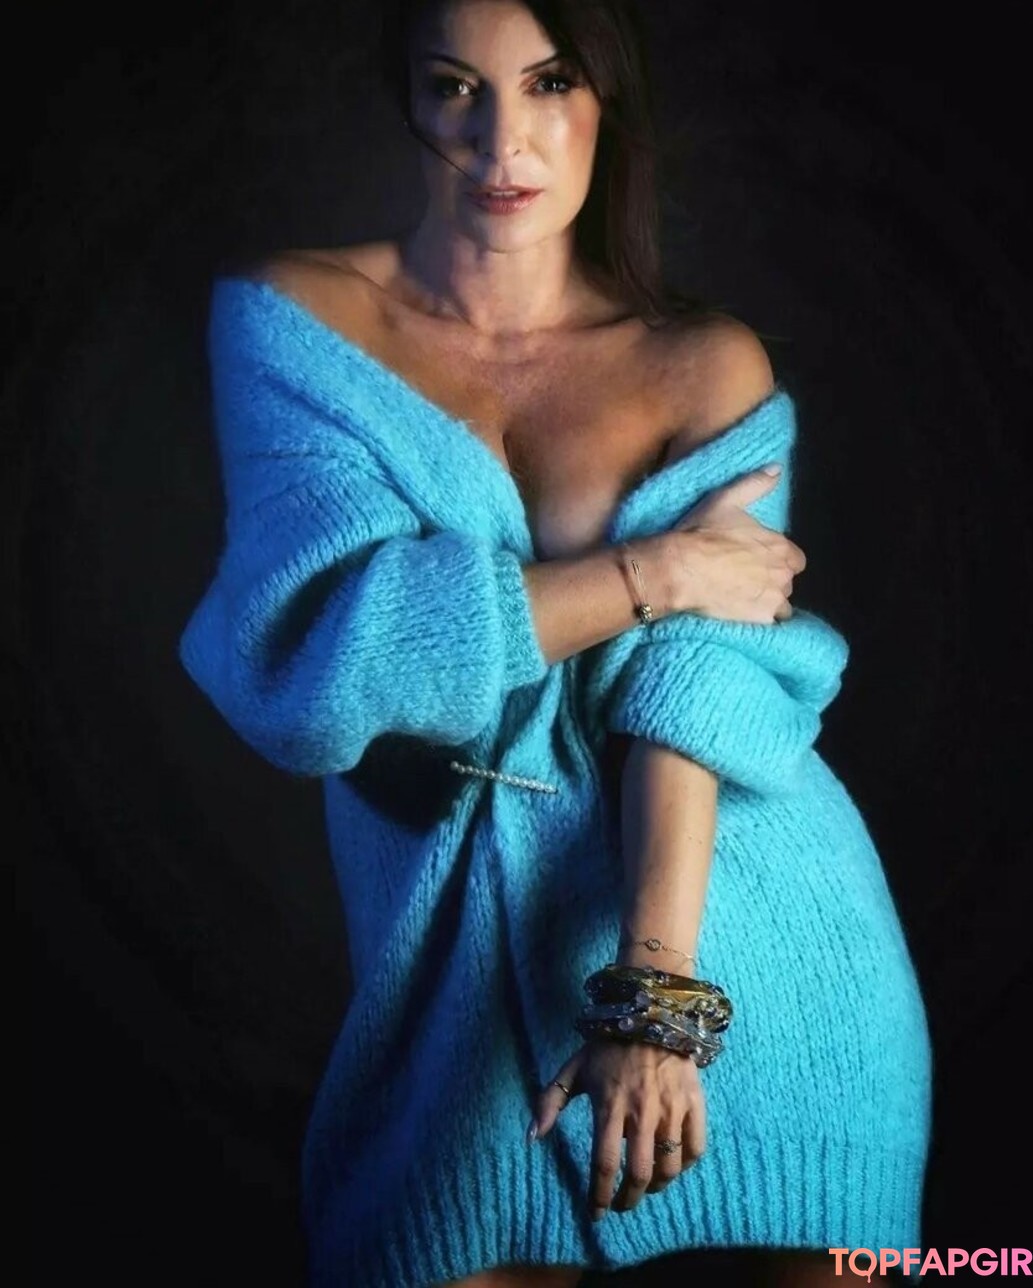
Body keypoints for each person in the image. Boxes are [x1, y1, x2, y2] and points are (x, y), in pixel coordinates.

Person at [177, 1, 933, 1285]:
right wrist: (655, 571)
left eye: (548, 83)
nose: (502, 142)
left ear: (605, 102)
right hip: (457, 981)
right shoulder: (294, 326)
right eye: (455, 87)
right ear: (407, 98)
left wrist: (657, 998)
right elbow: (329, 671)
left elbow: (706, 681)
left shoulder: (705, 363)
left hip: (755, 945)